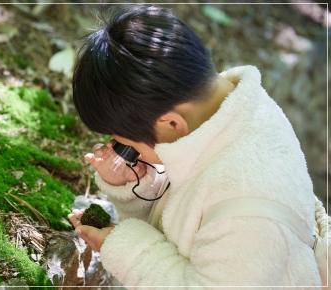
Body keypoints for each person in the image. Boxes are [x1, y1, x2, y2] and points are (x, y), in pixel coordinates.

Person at [67, 4, 321, 288]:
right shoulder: (228, 111)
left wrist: (124, 247)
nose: (125, 151)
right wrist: (140, 188)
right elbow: (187, 211)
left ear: (172, 124)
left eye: (128, 144)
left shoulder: (249, 214)